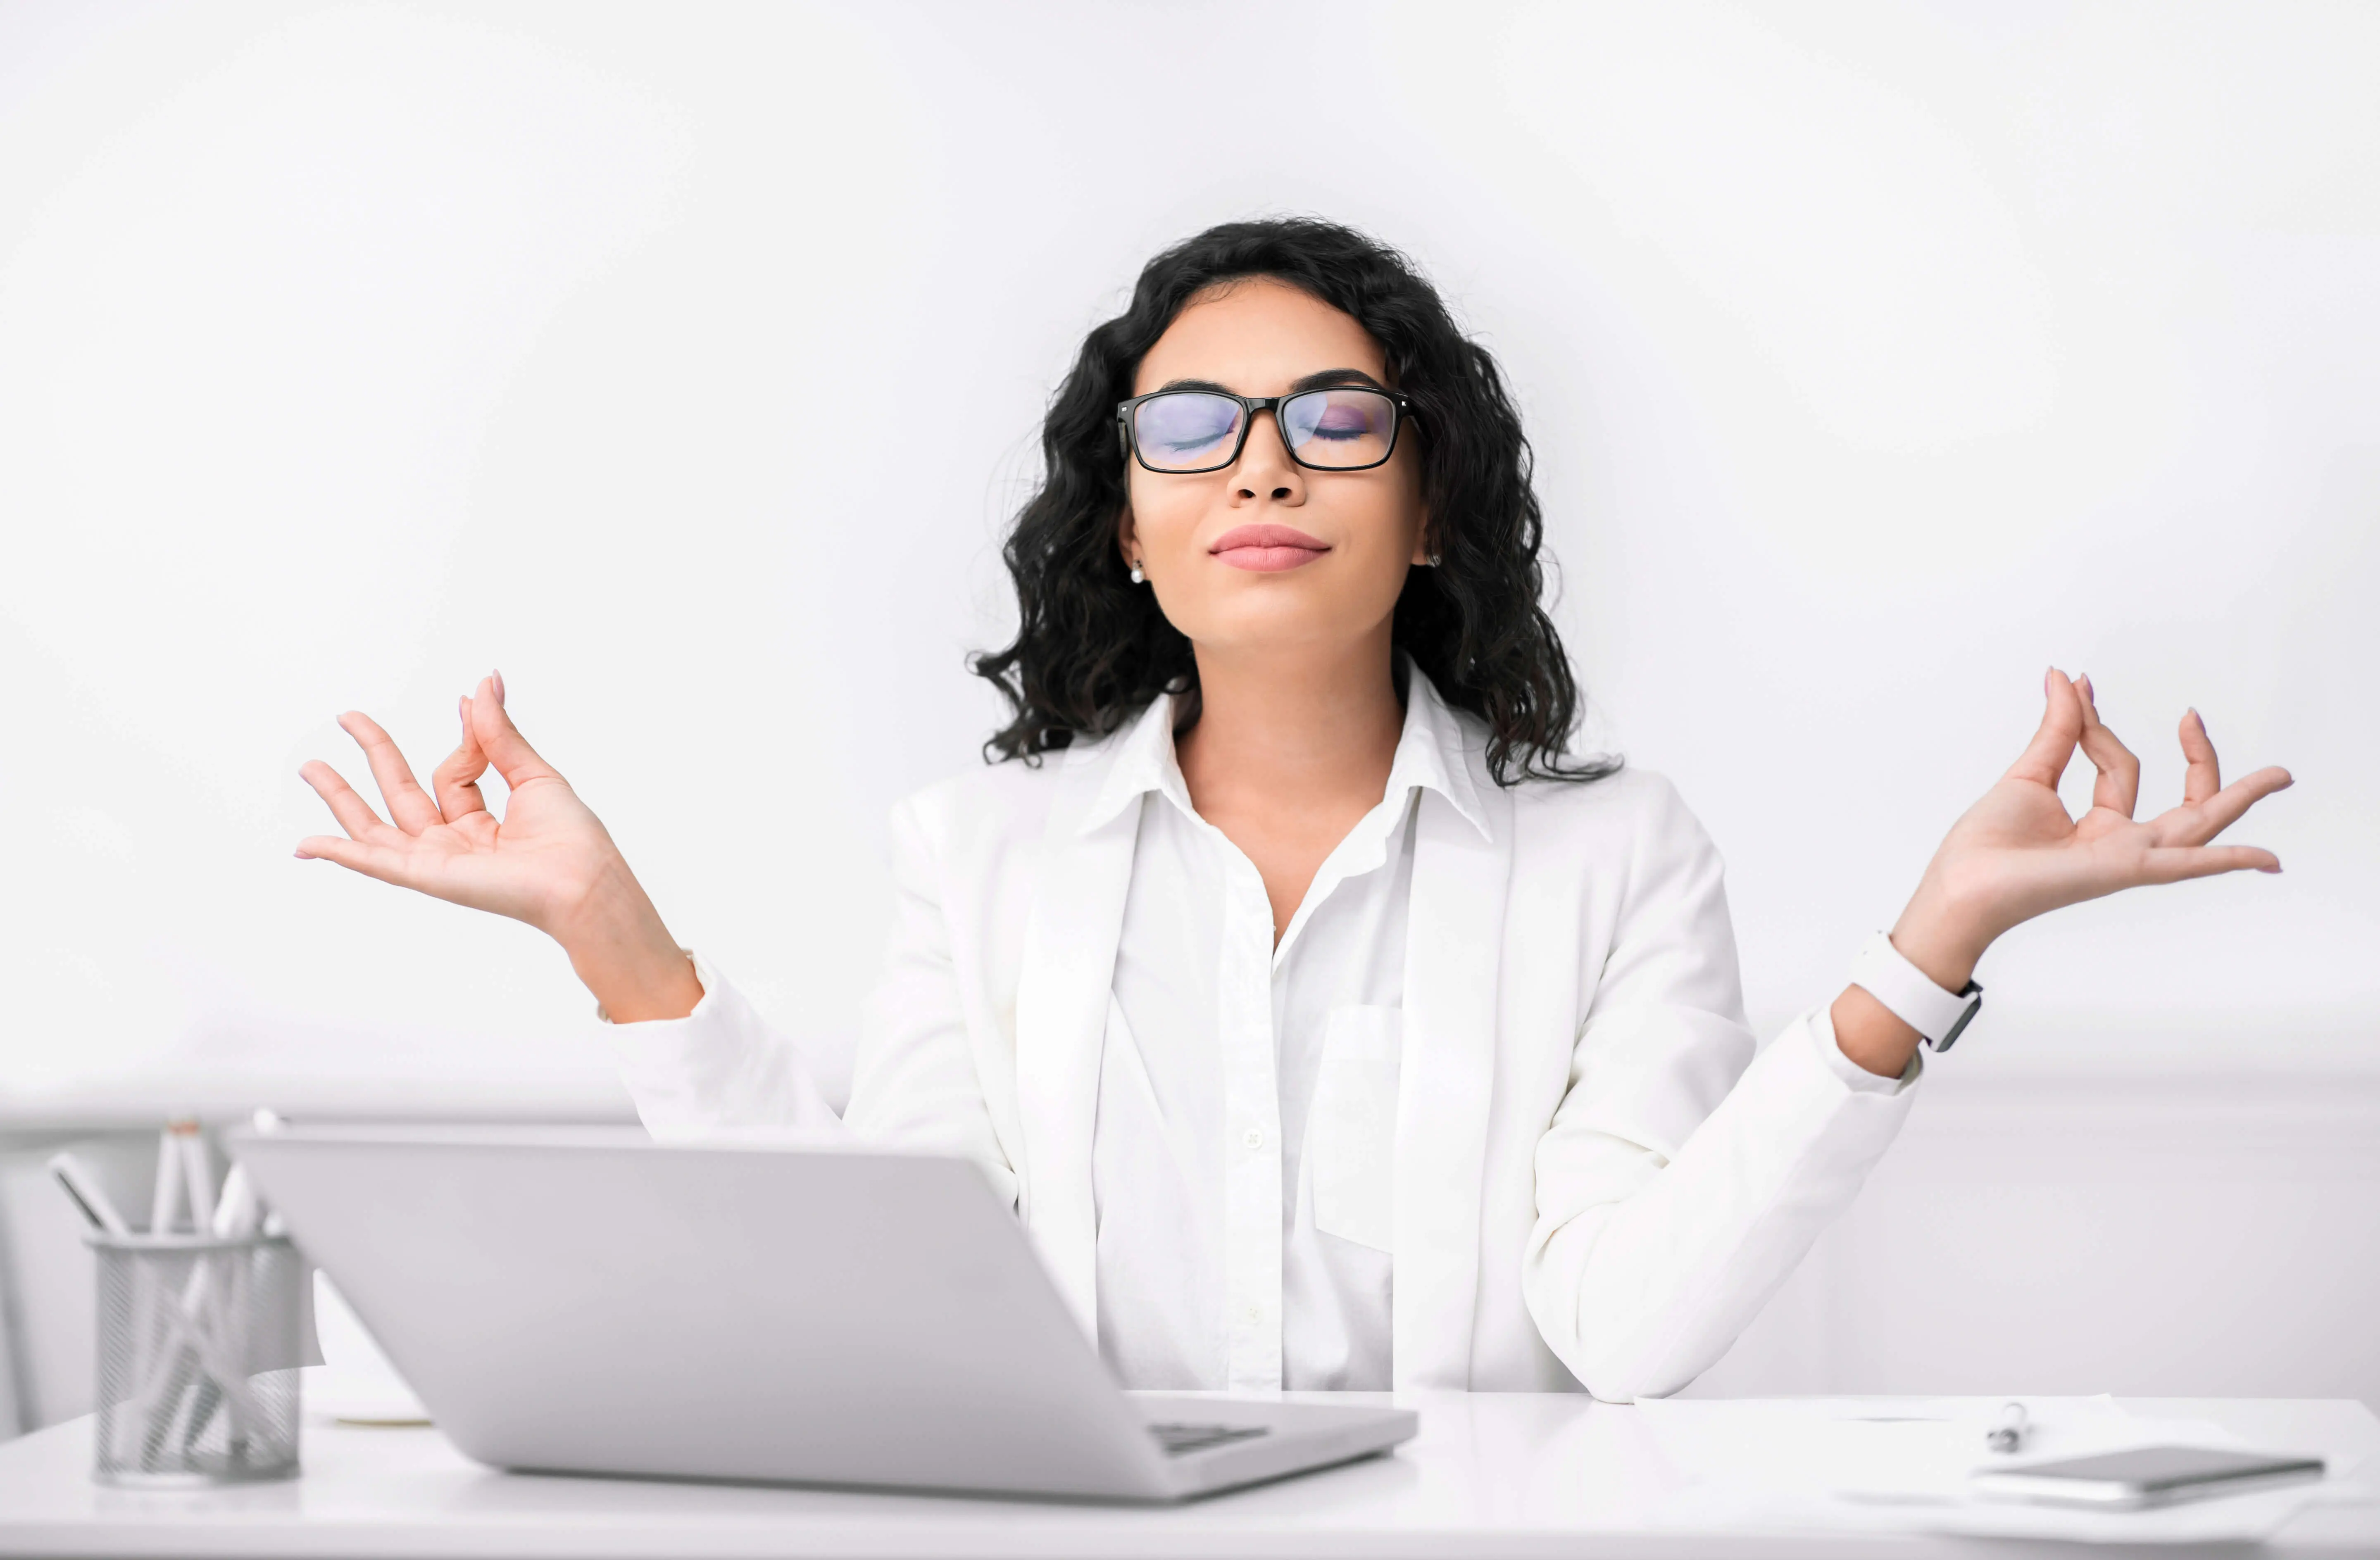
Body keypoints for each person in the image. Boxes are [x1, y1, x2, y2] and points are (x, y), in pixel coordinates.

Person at [295, 218, 2291, 1400]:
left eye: (1336, 418)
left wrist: (1921, 952)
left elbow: (1624, 1324)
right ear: (1133, 532)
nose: (1263, 465)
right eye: (1192, 427)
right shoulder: (974, 861)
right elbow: (913, 1295)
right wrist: (612, 941)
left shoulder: (1620, 855)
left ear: (1425, 509)